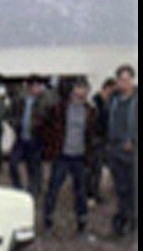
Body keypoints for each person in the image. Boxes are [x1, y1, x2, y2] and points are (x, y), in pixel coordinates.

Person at [41, 78, 97, 235]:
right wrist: (49, 146)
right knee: (53, 189)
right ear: (73, 90)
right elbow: (46, 126)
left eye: (85, 89)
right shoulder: (60, 109)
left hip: (79, 157)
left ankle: (82, 223)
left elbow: (92, 134)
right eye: (79, 88)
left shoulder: (90, 111)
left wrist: (91, 154)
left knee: (80, 191)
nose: (82, 92)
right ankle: (48, 221)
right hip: (62, 156)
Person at [106, 64, 138, 237]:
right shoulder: (113, 100)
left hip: (132, 152)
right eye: (121, 80)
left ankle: (133, 223)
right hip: (115, 150)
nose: (124, 83)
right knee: (120, 189)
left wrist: (133, 140)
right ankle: (121, 222)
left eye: (127, 79)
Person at [8, 75, 53, 196]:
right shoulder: (21, 100)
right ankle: (18, 187)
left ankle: (34, 190)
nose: (36, 88)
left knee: (34, 167)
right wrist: (14, 123)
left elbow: (49, 118)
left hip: (36, 138)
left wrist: (42, 129)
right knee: (13, 163)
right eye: (33, 86)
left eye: (38, 86)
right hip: (21, 138)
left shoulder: (44, 101)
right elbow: (11, 114)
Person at [87, 78, 116, 205]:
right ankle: (90, 193)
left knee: (98, 168)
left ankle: (94, 192)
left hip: (104, 139)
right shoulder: (96, 102)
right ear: (107, 88)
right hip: (96, 139)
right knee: (94, 167)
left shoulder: (108, 102)